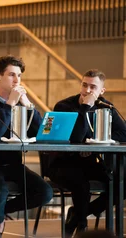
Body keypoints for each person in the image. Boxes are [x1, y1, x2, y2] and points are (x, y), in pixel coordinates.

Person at [0, 55, 53, 236]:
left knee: (45, 192)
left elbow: (42, 133)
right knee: (0, 190)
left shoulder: (22, 104)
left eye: (19, 76)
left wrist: (29, 106)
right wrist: (10, 105)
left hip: (13, 164)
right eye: (12, 75)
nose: (17, 80)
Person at [48, 69, 126, 237]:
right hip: (62, 163)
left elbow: (123, 134)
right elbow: (75, 137)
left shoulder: (106, 107)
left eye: (93, 87)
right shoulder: (64, 106)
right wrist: (84, 108)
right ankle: (81, 225)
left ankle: (78, 215)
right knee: (81, 184)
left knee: (120, 183)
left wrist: (94, 140)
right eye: (84, 85)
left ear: (101, 91)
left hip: (90, 161)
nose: (87, 91)